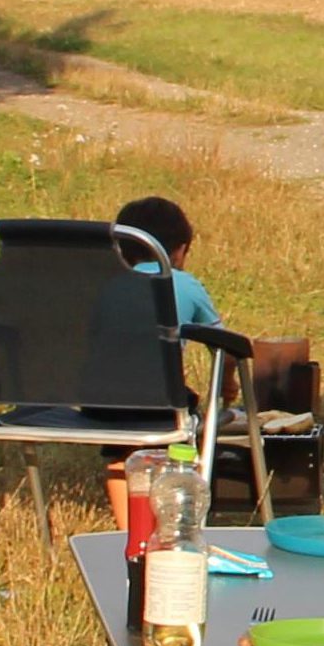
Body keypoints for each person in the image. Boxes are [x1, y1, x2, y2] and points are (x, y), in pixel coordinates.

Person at [102, 195, 224, 527]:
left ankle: (127, 530)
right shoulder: (185, 284)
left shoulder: (102, 285)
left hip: (99, 401)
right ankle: (175, 519)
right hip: (160, 401)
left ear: (121, 248)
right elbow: (223, 347)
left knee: (119, 455)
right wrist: (229, 389)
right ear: (181, 250)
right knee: (184, 432)